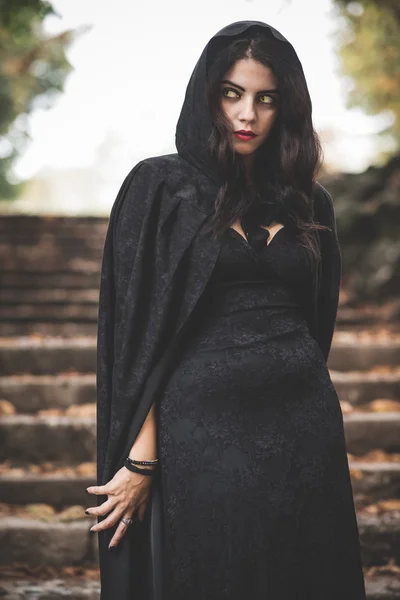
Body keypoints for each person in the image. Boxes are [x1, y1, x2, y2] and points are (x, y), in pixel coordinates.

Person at [87, 20, 367, 600]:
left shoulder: (310, 200)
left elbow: (319, 320)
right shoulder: (159, 186)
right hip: (200, 429)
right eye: (232, 94)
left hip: (302, 424)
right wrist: (142, 461)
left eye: (266, 99)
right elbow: (140, 333)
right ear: (207, 95)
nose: (248, 115)